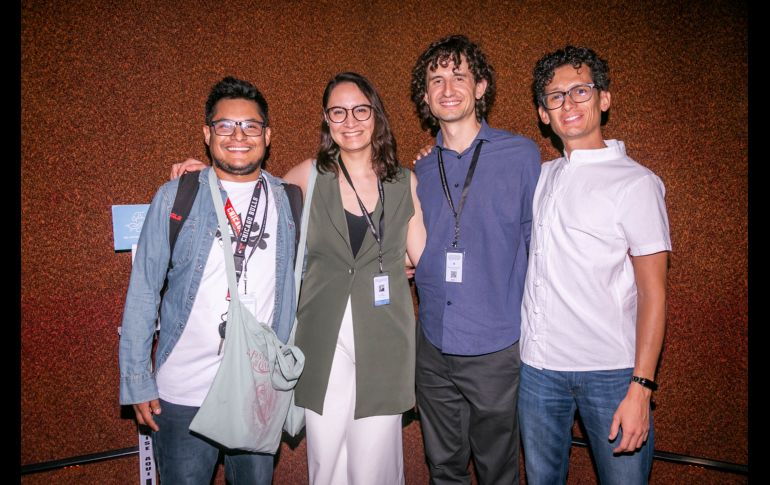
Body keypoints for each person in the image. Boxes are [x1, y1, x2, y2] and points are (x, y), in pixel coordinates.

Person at [171, 72, 426, 485]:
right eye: (338, 112)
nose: (350, 120)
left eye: (360, 109)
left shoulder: (404, 182)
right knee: (326, 461)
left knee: (375, 464)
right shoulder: (308, 175)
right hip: (321, 341)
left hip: (385, 339)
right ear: (327, 120)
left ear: (375, 115)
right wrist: (208, 174)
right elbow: (250, 192)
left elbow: (424, 260)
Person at [119, 76, 297, 484]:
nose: (238, 135)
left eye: (251, 125)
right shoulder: (176, 196)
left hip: (257, 391)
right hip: (183, 396)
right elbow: (143, 290)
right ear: (207, 133)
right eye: (225, 125)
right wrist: (136, 380)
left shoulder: (289, 200)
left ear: (267, 135)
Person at [518, 45, 671, 485]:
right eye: (556, 96)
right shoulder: (544, 176)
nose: (568, 104)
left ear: (604, 99)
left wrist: (641, 388)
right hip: (538, 370)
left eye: (580, 91)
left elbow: (654, 292)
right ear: (544, 113)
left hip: (611, 373)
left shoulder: (636, 183)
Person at [409, 34, 541, 484]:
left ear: (480, 86)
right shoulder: (420, 169)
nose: (447, 88)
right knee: (443, 468)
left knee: (497, 470)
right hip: (431, 345)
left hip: (495, 347)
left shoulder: (522, 155)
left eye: (459, 76)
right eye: (436, 79)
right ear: (425, 97)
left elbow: (538, 247)